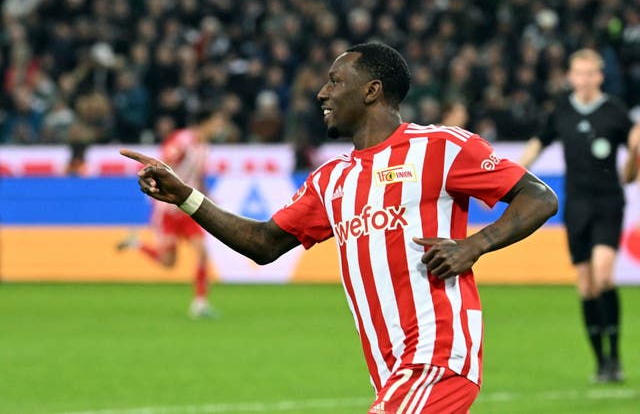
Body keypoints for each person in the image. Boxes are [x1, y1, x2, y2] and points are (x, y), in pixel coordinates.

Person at [121, 43, 557, 413]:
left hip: (436, 356)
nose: (321, 92)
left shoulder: (440, 148)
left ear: (372, 91)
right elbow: (262, 243)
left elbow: (539, 197)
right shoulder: (332, 180)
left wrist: (474, 244)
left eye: (335, 81)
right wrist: (186, 197)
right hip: (389, 372)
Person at [519, 48, 640, 383]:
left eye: (591, 73)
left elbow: (631, 173)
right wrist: (509, 175)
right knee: (585, 286)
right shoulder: (561, 111)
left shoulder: (615, 112)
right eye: (579, 72)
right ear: (570, 76)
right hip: (576, 206)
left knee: (603, 276)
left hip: (608, 203)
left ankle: (615, 357)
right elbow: (537, 144)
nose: (584, 79)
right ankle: (601, 361)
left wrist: (634, 153)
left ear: (600, 76)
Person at [117, 108, 222, 319]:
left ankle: (200, 304)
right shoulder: (182, 141)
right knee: (168, 262)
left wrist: (210, 199)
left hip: (189, 207)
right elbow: (163, 163)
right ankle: (136, 244)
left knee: (202, 252)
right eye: (217, 122)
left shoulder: (204, 147)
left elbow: (198, 178)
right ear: (207, 122)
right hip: (167, 208)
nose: (219, 127)